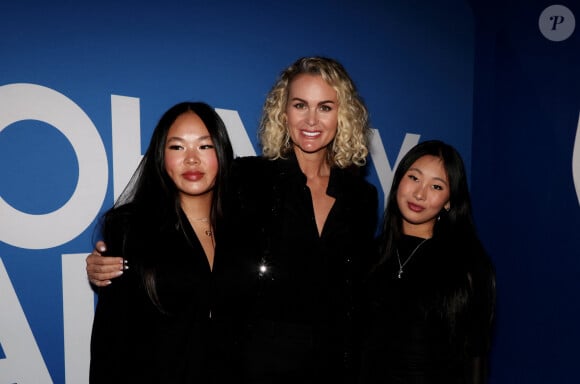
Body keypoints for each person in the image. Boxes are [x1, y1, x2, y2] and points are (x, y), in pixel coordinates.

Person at [87, 57, 378, 383]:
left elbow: (362, 294)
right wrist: (108, 260)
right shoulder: (248, 178)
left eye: (325, 107)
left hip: (330, 367)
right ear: (283, 112)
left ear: (344, 114)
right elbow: (183, 217)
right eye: (300, 105)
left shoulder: (362, 197)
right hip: (252, 367)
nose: (311, 119)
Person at [89, 101, 234, 383]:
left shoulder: (246, 226)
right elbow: (111, 342)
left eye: (205, 146)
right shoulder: (130, 228)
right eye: (177, 147)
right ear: (160, 156)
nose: (192, 159)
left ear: (222, 152)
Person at [358, 140, 496, 384]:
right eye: (414, 178)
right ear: (399, 179)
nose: (420, 194)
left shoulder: (468, 267)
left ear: (449, 201)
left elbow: (475, 358)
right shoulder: (368, 255)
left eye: (436, 186)